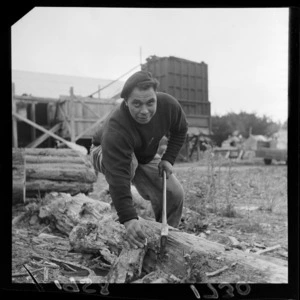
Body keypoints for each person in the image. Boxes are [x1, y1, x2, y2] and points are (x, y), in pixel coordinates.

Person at [90, 70, 188, 249]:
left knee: (174, 192)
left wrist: (168, 159)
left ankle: (167, 237)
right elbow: (118, 176)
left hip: (143, 154)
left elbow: (180, 129)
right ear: (126, 102)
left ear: (156, 97)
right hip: (103, 152)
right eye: (137, 104)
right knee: (129, 164)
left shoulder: (168, 105)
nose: (145, 111)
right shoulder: (116, 128)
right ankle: (119, 214)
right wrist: (128, 218)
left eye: (150, 102)